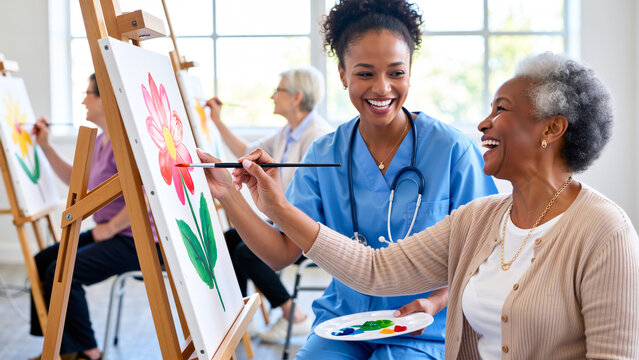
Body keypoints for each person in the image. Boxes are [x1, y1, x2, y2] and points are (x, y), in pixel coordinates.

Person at [224, 52, 639, 359]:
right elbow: (375, 270)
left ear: (552, 128)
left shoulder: (603, 231)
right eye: (489, 109)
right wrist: (269, 205)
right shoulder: (480, 220)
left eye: (502, 110)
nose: (483, 122)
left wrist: (432, 303)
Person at [198, 0, 497, 358]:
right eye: (365, 73)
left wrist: (435, 301)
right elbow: (280, 255)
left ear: (411, 72)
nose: (382, 88)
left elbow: (484, 253)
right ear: (342, 74)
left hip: (427, 327)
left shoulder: (451, 150)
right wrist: (228, 196)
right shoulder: (325, 154)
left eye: (396, 73)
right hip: (346, 322)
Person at [28, 74, 161, 360]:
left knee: (63, 272)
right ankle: (60, 347)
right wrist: (46, 146)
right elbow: (77, 180)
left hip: (135, 240)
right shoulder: (102, 139)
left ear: (106, 98)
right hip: (112, 233)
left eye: (89, 93)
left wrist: (112, 227)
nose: (83, 100)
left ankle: (89, 352)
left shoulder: (126, 140)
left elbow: (148, 193)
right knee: (41, 261)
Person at [206, 66, 334, 342]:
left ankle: (293, 315)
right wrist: (217, 122)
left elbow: (310, 201)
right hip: (283, 220)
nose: (272, 96)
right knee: (229, 240)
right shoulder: (289, 132)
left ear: (297, 97)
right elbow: (247, 154)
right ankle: (238, 316)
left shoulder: (317, 135)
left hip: (309, 227)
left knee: (246, 251)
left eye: (278, 90)